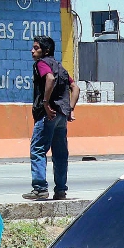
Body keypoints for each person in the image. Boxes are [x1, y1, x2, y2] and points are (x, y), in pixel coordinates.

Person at [23, 35, 78, 201]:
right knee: (60, 154)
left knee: (38, 149)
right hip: (61, 115)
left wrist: (46, 103)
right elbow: (74, 87)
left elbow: (50, 78)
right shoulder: (60, 67)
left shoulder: (42, 64)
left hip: (48, 115)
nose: (32, 51)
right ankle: (60, 190)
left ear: (45, 50)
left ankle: (40, 188)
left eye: (36, 48)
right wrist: (70, 109)